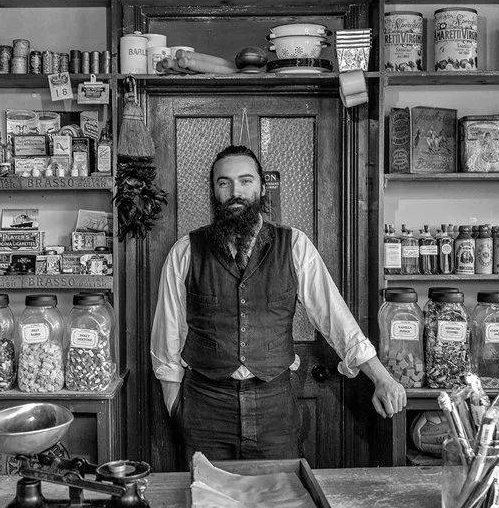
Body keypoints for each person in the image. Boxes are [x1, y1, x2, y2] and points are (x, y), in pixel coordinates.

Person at [151, 145, 406, 463]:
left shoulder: (295, 246)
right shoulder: (186, 251)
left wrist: (381, 377)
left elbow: (335, 318)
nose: (235, 192)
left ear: (260, 186)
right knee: (209, 504)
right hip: (206, 408)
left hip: (275, 407)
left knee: (280, 502)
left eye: (245, 181)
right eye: (224, 182)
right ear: (214, 191)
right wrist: (175, 406)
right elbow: (167, 336)